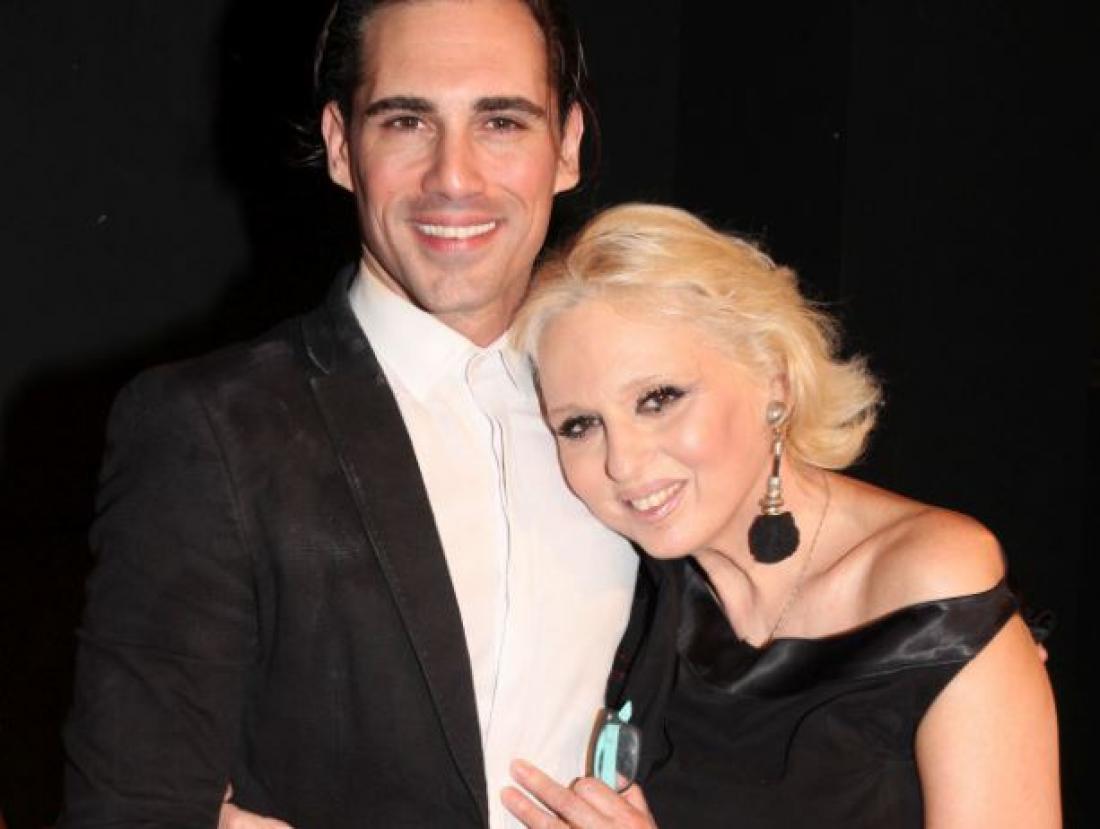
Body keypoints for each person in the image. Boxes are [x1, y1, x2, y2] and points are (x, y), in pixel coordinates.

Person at [59, 2, 639, 827]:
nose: (454, 176)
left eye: (502, 122)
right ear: (340, 145)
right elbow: (128, 810)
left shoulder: (645, 414)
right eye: (407, 121)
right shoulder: (213, 429)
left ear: (568, 146)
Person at [501, 203, 1061, 828]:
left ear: (774, 379)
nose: (622, 463)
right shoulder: (638, 595)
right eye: (580, 425)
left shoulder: (929, 582)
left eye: (659, 399)